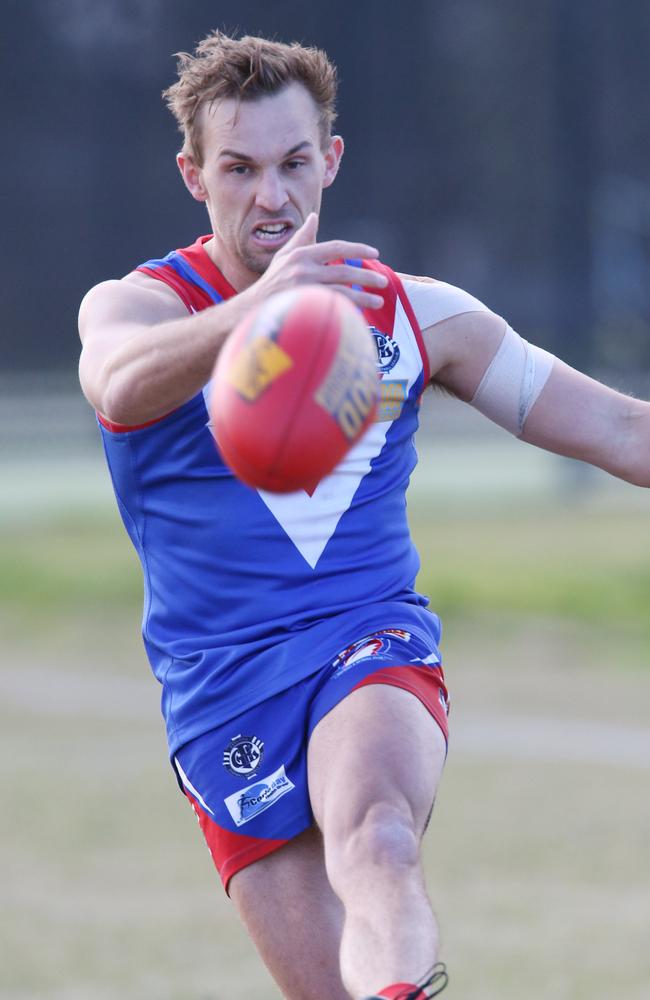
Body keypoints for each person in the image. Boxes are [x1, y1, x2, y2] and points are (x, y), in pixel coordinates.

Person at [78, 30, 650, 1000]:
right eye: (241, 168)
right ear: (192, 175)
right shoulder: (139, 309)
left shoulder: (414, 316)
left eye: (295, 163)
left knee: (378, 833)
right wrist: (250, 317)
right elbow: (118, 387)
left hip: (363, 638)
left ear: (330, 160)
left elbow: (621, 429)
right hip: (221, 687)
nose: (273, 196)